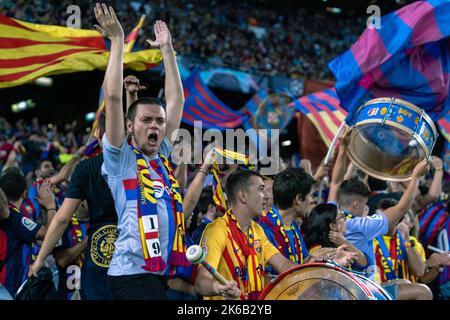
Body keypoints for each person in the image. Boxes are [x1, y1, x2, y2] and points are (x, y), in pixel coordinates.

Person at [94, 4, 186, 300]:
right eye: (146, 120)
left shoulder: (160, 158)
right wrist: (118, 41)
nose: (156, 126)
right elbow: (112, 96)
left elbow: (177, 99)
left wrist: (167, 50)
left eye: (160, 121)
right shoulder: (121, 158)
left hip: (156, 274)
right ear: (130, 126)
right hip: (130, 276)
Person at [194, 169, 355, 300]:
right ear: (243, 196)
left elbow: (285, 266)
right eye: (261, 190)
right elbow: (201, 283)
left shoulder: (256, 231)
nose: (266, 196)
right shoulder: (218, 230)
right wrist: (219, 287)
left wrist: (327, 264)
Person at [29, 112, 118, 300]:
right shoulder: (45, 194)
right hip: (74, 290)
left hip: (102, 281)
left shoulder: (89, 177)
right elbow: (61, 258)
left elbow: (63, 176)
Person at [0, 173, 54, 297]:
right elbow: (50, 235)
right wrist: (50, 206)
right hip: (10, 289)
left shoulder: (12, 215)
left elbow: (43, 242)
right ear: (24, 193)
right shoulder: (14, 217)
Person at [373, 198, 433, 300]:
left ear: (395, 219)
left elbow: (419, 272)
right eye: (376, 216)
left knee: (420, 289)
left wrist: (407, 242)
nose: (377, 220)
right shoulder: (370, 239)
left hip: (405, 293)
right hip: (377, 290)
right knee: (421, 290)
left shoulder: (411, 241)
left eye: (382, 217)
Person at [304, 203, 371, 273]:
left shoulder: (338, 244)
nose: (345, 219)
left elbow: (366, 264)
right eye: (342, 216)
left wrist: (345, 242)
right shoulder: (320, 252)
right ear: (333, 226)